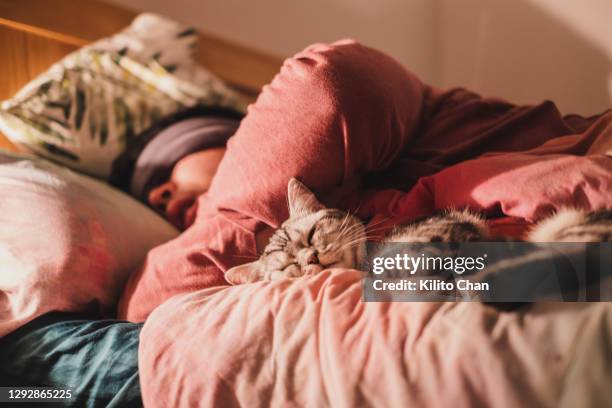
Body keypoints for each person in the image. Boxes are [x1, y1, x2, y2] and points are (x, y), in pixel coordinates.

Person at [2, 39, 610, 405]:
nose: (163, 196)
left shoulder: (395, 114)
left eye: (179, 166)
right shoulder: (368, 213)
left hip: (576, 205)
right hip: (533, 265)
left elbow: (328, 78)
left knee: (33, 368)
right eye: (151, 197)